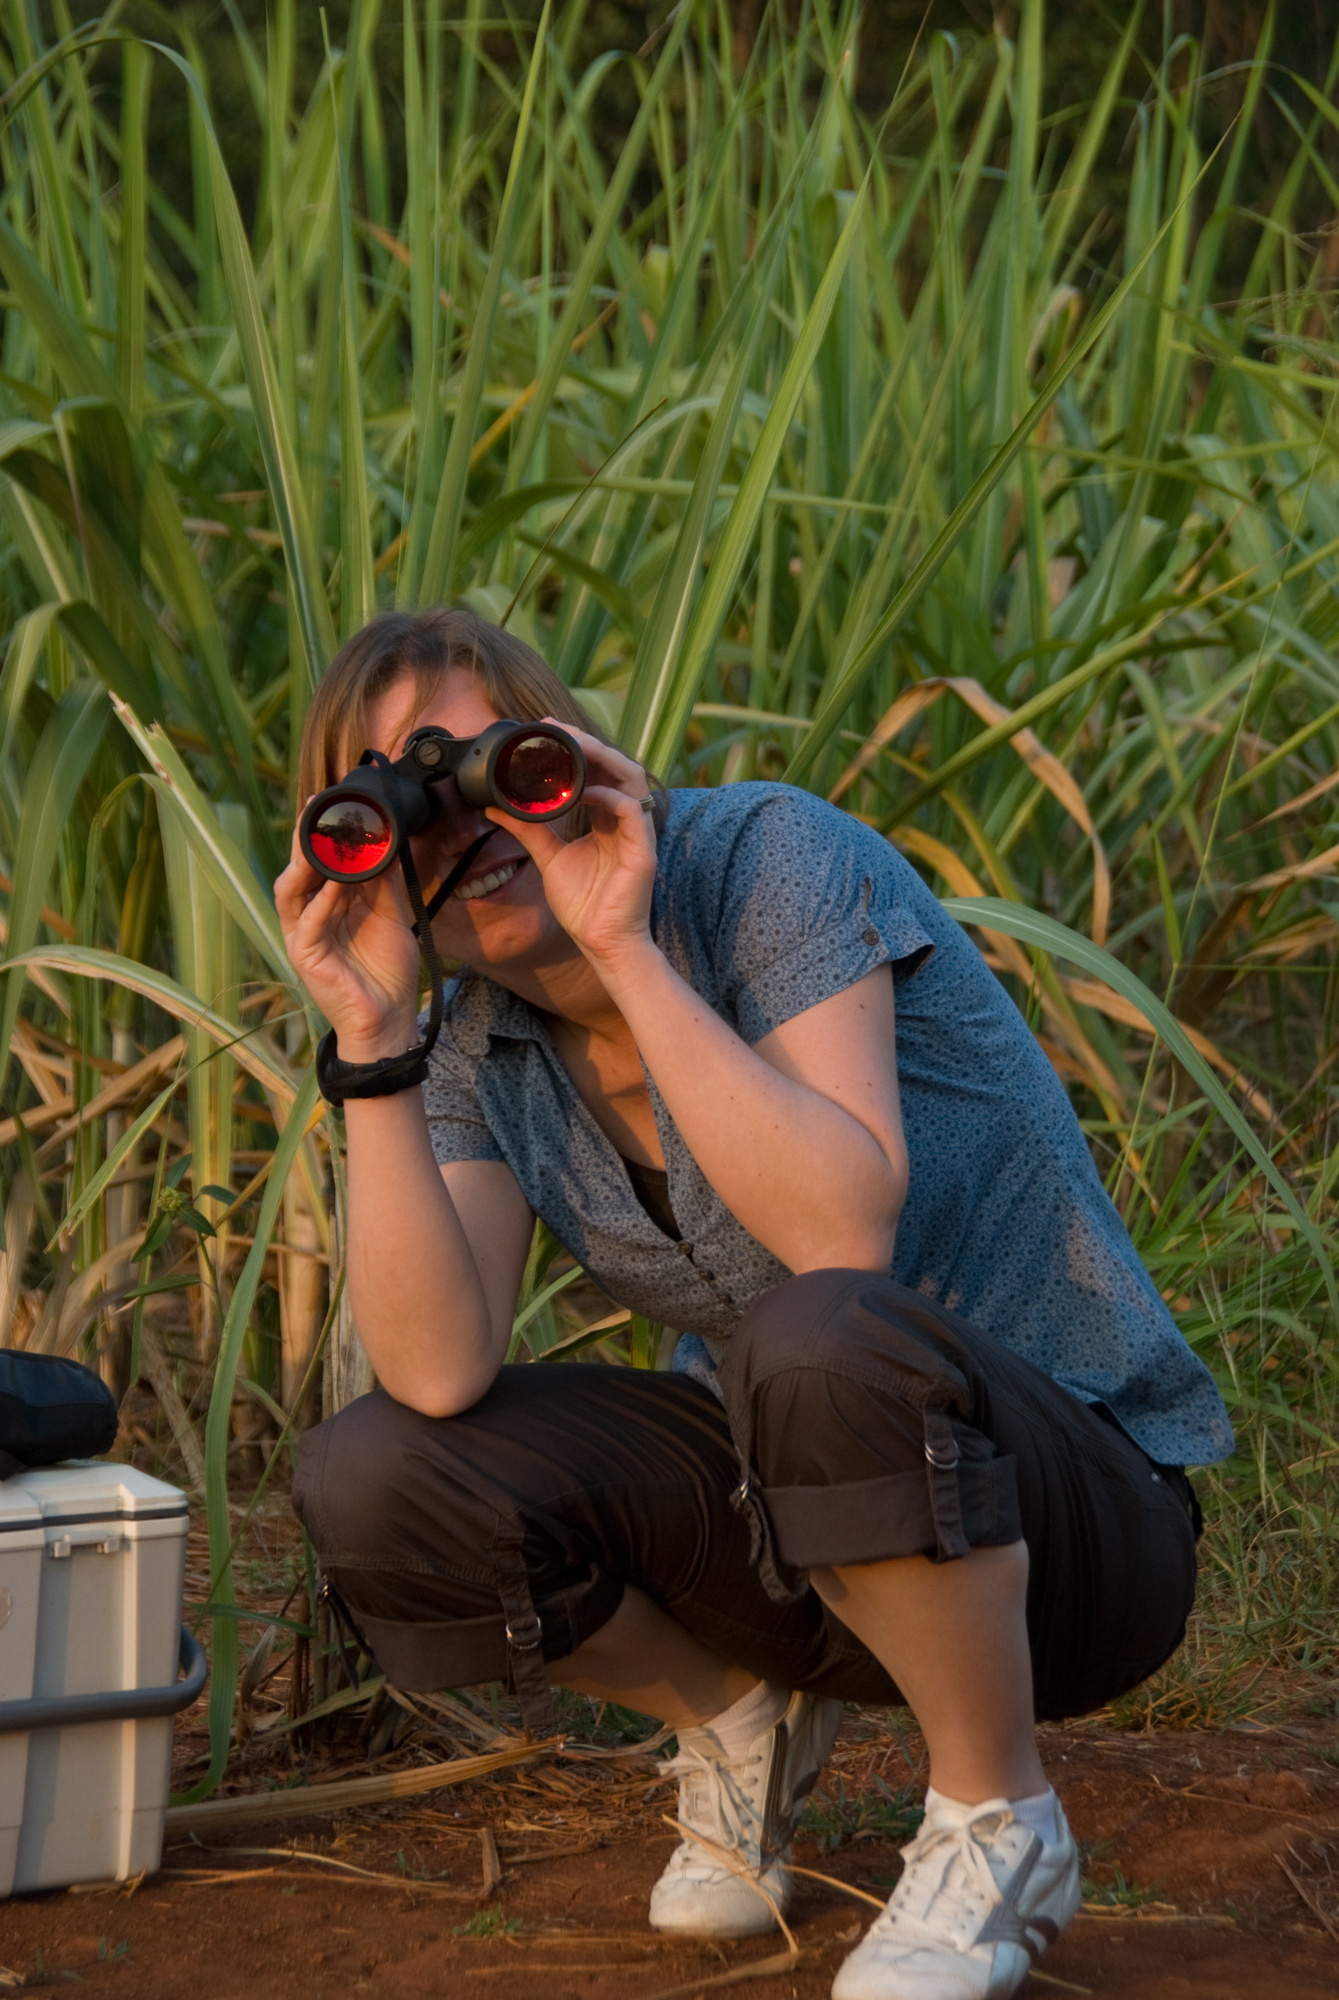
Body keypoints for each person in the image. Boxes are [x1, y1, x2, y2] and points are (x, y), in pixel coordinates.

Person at [279, 607, 1231, 2000]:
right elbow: (434, 1373)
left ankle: (998, 1817)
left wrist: (624, 946)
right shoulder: (477, 1036)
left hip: (1077, 1520)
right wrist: (372, 1042)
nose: (466, 829)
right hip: (814, 1527)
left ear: (565, 754)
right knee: (374, 1473)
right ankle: (734, 1721)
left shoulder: (767, 861)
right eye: (403, 808)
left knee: (818, 1330)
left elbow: (837, 1231)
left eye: (489, 770)